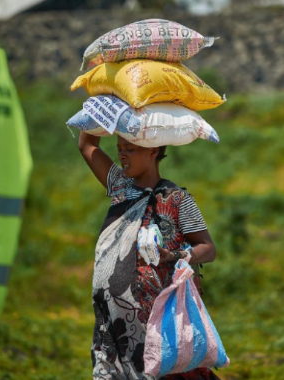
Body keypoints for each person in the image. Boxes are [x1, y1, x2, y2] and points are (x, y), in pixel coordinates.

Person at [79, 131, 221, 380]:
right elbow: (86, 144)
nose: (122, 154)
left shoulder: (177, 199)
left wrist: (173, 255)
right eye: (119, 147)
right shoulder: (120, 188)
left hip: (160, 322)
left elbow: (208, 249)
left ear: (153, 151)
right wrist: (100, 103)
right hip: (115, 321)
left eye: (130, 149)